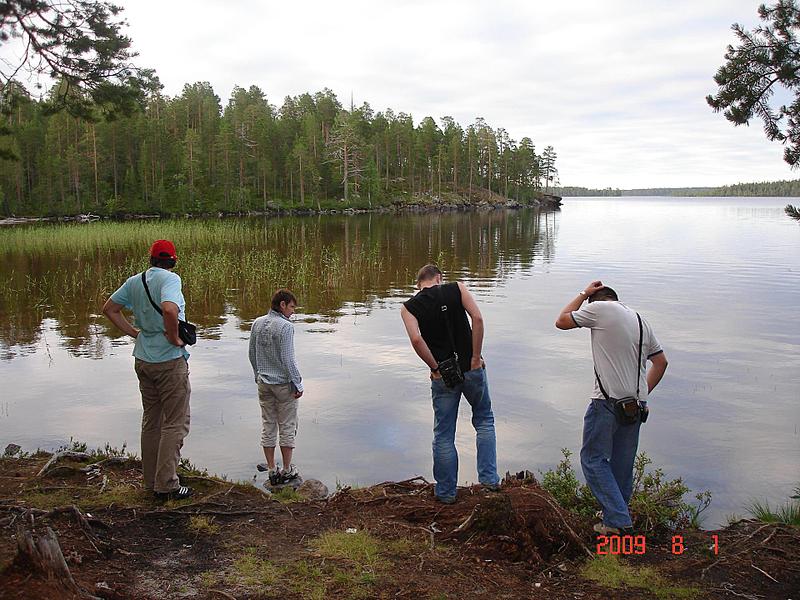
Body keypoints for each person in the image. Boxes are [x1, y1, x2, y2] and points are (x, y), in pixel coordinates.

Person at [555, 281, 668, 534]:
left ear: (597, 301)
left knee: (592, 460)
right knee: (621, 466)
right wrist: (642, 394)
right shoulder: (640, 319)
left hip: (606, 403)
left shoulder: (600, 309)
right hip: (636, 406)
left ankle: (618, 520)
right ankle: (615, 513)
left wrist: (584, 293)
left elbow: (561, 320)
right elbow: (661, 362)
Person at [400, 264, 500, 504]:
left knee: (444, 434)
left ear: (419, 284)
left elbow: (416, 339)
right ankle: (489, 481)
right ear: (439, 278)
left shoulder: (409, 307)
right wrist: (475, 357)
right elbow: (477, 318)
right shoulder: (457, 288)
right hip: (472, 367)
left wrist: (434, 367)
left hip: (443, 375)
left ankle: (446, 493)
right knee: (484, 420)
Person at [102, 240, 193, 501]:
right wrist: (175, 337)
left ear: (151, 259)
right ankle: (167, 484)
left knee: (152, 421)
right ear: (173, 260)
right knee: (176, 423)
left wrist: (134, 333)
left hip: (143, 359)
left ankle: (150, 480)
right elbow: (169, 309)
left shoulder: (135, 281)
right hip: (169, 362)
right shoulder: (171, 280)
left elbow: (109, 309)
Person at [249, 289, 304, 486]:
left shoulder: (257, 323)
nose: (292, 312)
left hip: (263, 382)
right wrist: (298, 383)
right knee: (288, 425)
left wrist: (257, 375)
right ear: (282, 305)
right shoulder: (286, 327)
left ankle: (272, 469)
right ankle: (288, 470)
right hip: (282, 384)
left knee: (268, 424)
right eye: (291, 307)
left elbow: (251, 354)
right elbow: (289, 360)